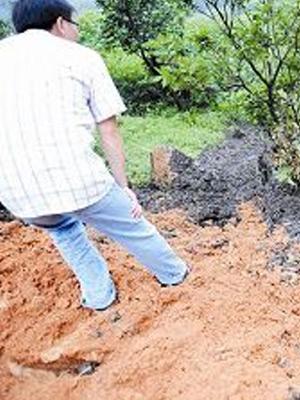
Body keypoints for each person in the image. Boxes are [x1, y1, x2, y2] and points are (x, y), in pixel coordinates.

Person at [0, 0, 189, 311]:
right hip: (78, 181)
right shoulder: (80, 57)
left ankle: (100, 298)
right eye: (75, 25)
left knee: (63, 230)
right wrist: (124, 188)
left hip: (17, 194)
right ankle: (175, 275)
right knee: (132, 225)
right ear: (61, 23)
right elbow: (109, 130)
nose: (76, 32)